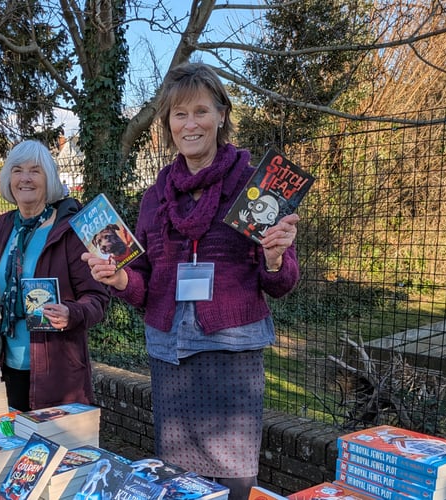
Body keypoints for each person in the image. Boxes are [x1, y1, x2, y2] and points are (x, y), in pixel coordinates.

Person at [83, 62, 301, 500]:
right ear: (167, 124)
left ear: (222, 114)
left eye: (201, 111)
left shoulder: (255, 187)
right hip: (171, 356)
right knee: (180, 481)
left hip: (232, 353)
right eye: (179, 115)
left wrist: (275, 257)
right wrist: (121, 278)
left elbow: (280, 283)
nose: (190, 123)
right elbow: (147, 288)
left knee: (236, 483)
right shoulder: (154, 198)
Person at [0, 140, 109, 412]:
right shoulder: (4, 225)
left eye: (35, 170)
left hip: (56, 372)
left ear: (48, 179)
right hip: (4, 364)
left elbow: (98, 299)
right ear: (8, 179)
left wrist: (70, 313)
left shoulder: (71, 230)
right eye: (17, 170)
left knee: (52, 449)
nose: (25, 178)